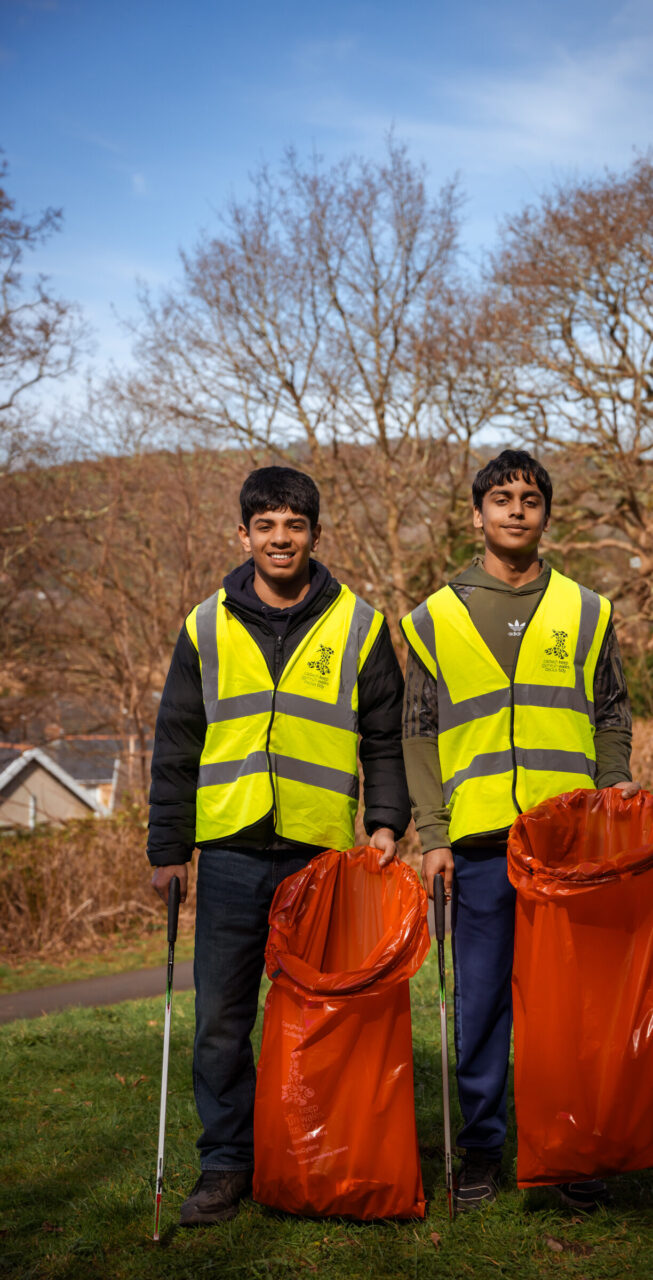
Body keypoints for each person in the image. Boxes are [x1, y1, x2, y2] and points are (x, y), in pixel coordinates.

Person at [148, 465, 410, 1227]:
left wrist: (385, 820)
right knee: (222, 1019)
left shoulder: (359, 624)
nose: (280, 538)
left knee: (321, 1017)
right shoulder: (204, 625)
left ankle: (313, 1157)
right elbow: (175, 745)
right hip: (227, 847)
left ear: (313, 535)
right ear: (243, 535)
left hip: (320, 849)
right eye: (265, 525)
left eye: (294, 525)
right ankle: (225, 1165)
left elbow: (383, 738)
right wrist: (168, 849)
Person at [401, 448, 639, 1214]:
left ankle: (569, 1151)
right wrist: (432, 832)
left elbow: (609, 711)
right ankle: (479, 1151)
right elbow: (417, 731)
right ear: (477, 515)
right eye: (500, 498)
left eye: (528, 499)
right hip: (475, 844)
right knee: (481, 1005)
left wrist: (612, 795)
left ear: (544, 514)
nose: (514, 509)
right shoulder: (433, 617)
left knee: (568, 1008)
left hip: (569, 844)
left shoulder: (587, 609)